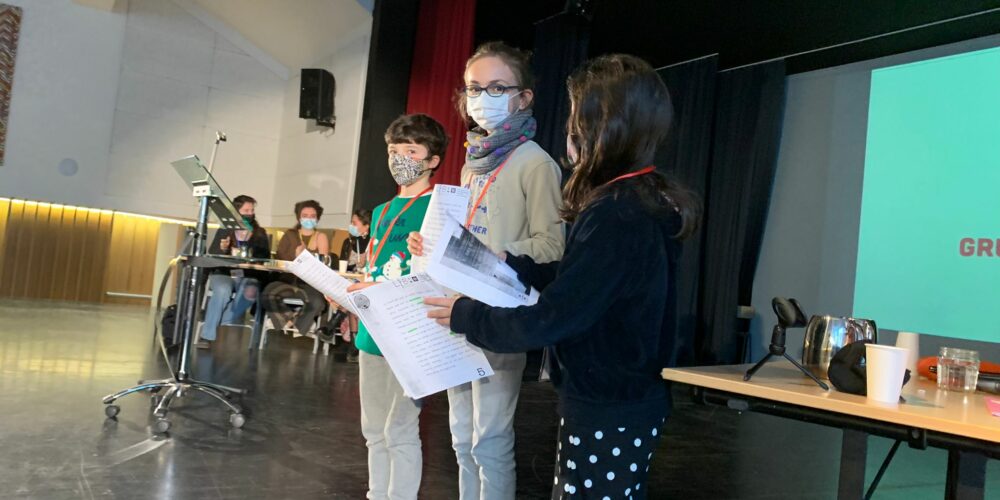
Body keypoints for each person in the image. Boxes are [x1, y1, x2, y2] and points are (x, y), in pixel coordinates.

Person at [424, 54, 701, 500]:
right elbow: (584, 279)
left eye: (577, 120)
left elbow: (556, 315)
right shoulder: (634, 199)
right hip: (616, 397)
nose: (570, 133)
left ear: (605, 126)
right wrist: (515, 263)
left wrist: (467, 316)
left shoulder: (616, 212)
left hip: (609, 402)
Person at [408, 41, 564, 500]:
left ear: (524, 97)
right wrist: (431, 242)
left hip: (499, 311)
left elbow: (553, 245)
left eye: (497, 88)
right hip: (459, 309)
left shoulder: (535, 163)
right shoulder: (473, 161)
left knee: (489, 439)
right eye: (474, 88)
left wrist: (496, 252)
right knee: (460, 436)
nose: (482, 98)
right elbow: (467, 226)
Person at [345, 113, 449, 500]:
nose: (399, 158)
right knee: (373, 429)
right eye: (393, 150)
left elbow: (441, 273)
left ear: (433, 160)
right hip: (372, 329)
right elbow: (374, 265)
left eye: (411, 150)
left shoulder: (439, 206)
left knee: (400, 429)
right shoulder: (382, 211)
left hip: (410, 330)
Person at [198, 194, 270, 349]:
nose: (250, 213)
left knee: (250, 292)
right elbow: (213, 254)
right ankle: (206, 336)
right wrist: (223, 249)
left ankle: (212, 323)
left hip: (247, 274)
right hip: (223, 273)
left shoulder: (260, 233)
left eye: (252, 210)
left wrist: (253, 252)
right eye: (246, 210)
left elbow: (265, 257)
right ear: (236, 212)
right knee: (223, 290)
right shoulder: (225, 230)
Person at [260, 200, 330, 335]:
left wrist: (304, 256)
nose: (309, 219)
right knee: (268, 292)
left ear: (317, 218)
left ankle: (294, 323)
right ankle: (292, 319)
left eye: (312, 216)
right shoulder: (289, 235)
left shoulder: (321, 237)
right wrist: (296, 257)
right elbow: (280, 258)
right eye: (305, 215)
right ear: (299, 217)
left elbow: (323, 264)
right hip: (287, 281)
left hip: (310, 283)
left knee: (317, 302)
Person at [341, 208, 372, 273]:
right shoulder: (348, 242)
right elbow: (342, 267)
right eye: (351, 223)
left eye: (354, 224)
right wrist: (357, 266)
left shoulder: (373, 244)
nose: (351, 226)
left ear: (366, 226)